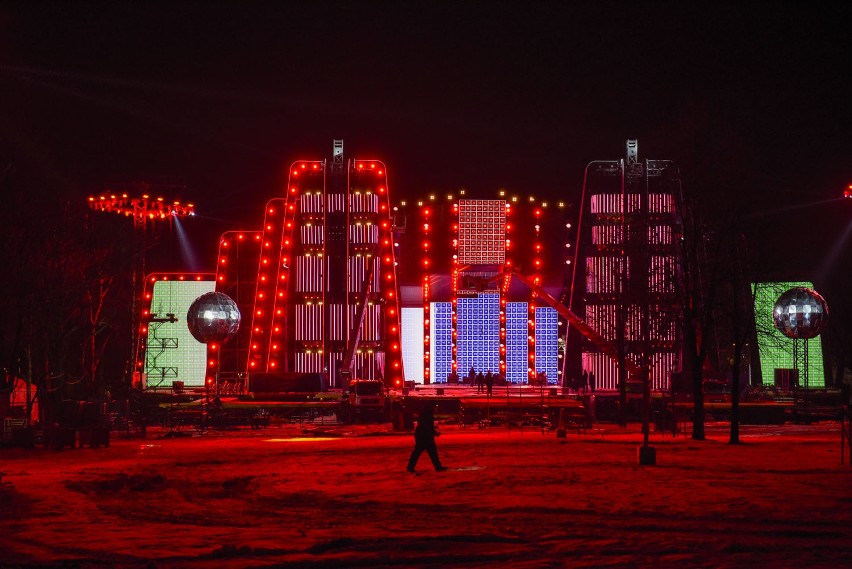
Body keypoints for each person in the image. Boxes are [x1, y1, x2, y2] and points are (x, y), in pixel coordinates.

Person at [406, 401, 447, 473]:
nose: (436, 408)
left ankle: (410, 467)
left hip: (422, 435)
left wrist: (433, 433)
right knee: (430, 452)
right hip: (425, 436)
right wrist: (434, 433)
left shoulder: (425, 412)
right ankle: (437, 467)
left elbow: (427, 425)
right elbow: (428, 425)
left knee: (419, 452)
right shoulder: (428, 413)